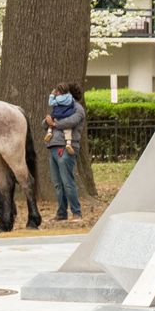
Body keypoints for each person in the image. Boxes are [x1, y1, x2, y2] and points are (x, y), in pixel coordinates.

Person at [44, 83, 86, 220]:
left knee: (67, 182)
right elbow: (45, 123)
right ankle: (62, 213)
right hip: (53, 146)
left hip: (67, 147)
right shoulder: (58, 108)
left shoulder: (78, 109)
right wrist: (48, 122)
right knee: (58, 184)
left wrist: (54, 124)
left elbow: (71, 122)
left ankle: (76, 212)